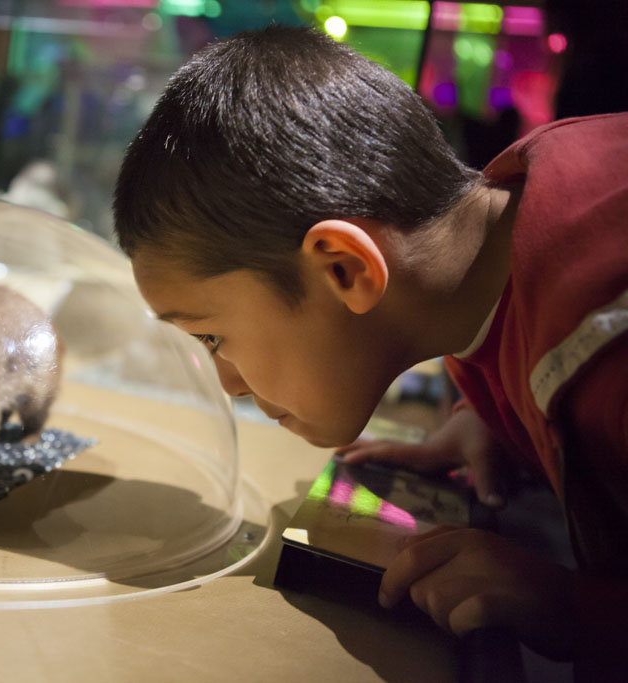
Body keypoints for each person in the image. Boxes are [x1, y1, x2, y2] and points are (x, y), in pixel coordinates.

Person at [112, 25, 627, 675]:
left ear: (344, 268)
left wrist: (576, 608)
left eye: (213, 337)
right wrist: (497, 414)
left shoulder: (606, 338)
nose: (229, 384)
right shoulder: (504, 236)